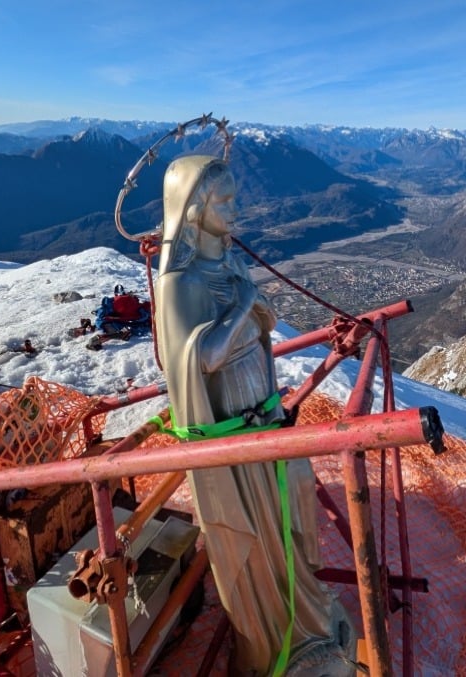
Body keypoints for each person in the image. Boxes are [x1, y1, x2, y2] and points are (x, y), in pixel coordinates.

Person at [153, 155, 355, 675]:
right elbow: (197, 359)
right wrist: (245, 307)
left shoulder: (229, 265)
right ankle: (270, 646)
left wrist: (258, 312)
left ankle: (305, 621)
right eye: (224, 202)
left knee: (290, 514)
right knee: (255, 540)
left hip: (260, 416)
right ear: (195, 211)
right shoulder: (180, 284)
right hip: (228, 438)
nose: (234, 211)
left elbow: (253, 328)